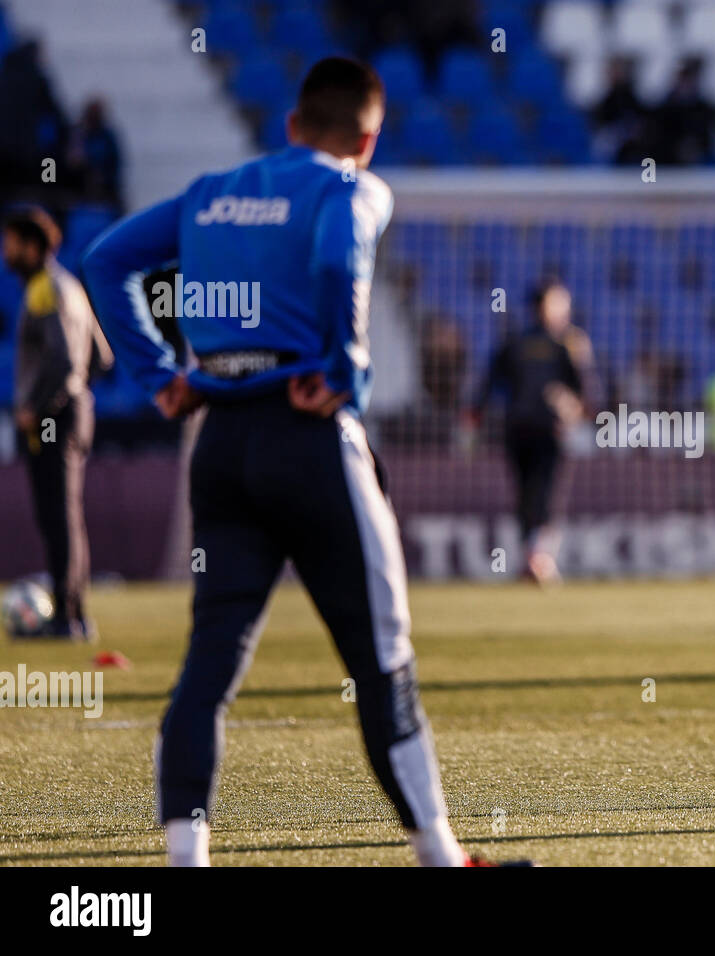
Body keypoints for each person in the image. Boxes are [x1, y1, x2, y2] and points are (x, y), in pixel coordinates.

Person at [82, 57, 512, 867]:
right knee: (382, 654)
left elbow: (106, 259)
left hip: (218, 445)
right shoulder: (353, 187)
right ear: (368, 137)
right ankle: (441, 856)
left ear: (289, 125)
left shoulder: (211, 193)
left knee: (211, 658)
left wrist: (159, 377)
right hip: (310, 439)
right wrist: (346, 363)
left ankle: (185, 856)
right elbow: (337, 257)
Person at [3, 205, 111, 640]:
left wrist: (36, 407)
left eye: (11, 243)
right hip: (75, 410)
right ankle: (73, 614)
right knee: (64, 515)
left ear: (32, 246)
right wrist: (79, 392)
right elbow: (101, 357)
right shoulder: (72, 287)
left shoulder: (46, 290)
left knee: (58, 518)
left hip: (54, 416)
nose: (6, 252)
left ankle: (67, 618)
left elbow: (64, 358)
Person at [466, 277, 592, 584]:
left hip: (540, 429)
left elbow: (582, 391)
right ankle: (536, 557)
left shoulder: (555, 342)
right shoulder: (555, 343)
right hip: (529, 429)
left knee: (540, 493)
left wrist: (574, 409)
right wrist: (474, 414)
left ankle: (537, 558)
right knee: (533, 493)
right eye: (558, 301)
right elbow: (491, 380)